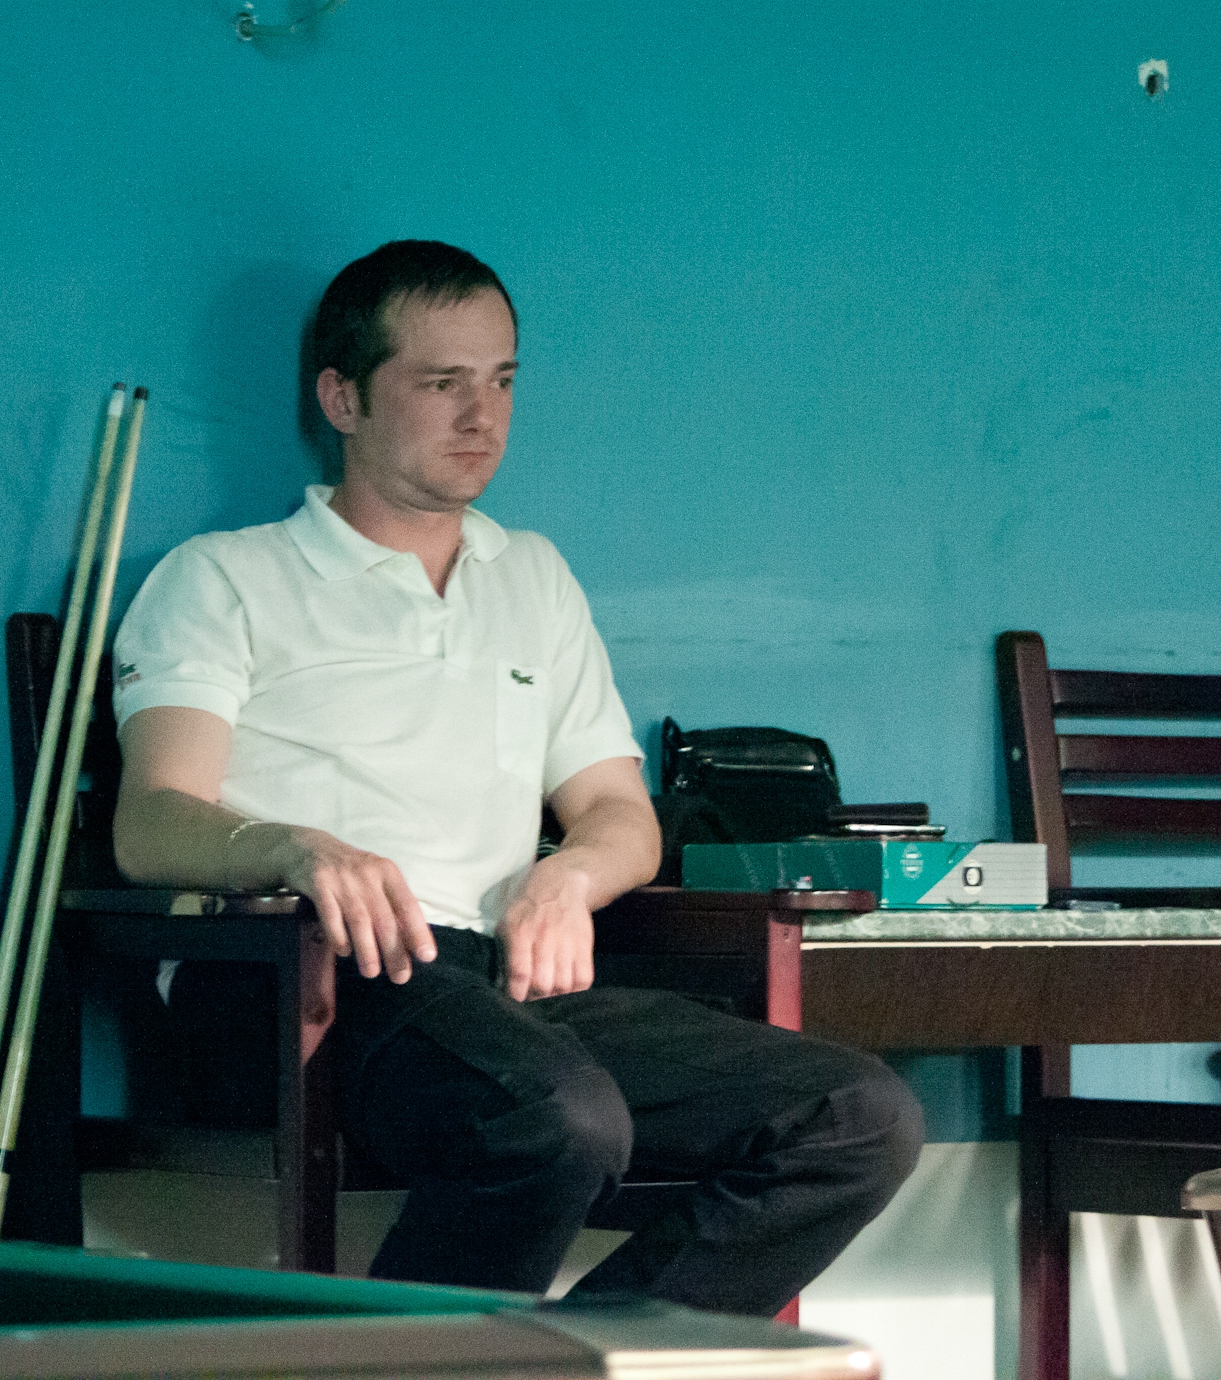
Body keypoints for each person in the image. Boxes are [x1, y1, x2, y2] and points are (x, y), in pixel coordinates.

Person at [109, 240, 921, 1314]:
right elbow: (151, 820)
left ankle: (573, 1363)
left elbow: (619, 813)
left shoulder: (532, 576)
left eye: (501, 382)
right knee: (556, 1117)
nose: (481, 416)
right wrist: (294, 847)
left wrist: (570, 876)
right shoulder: (225, 576)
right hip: (301, 977)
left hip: (502, 989)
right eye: (442, 383)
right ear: (342, 398)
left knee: (858, 1116)